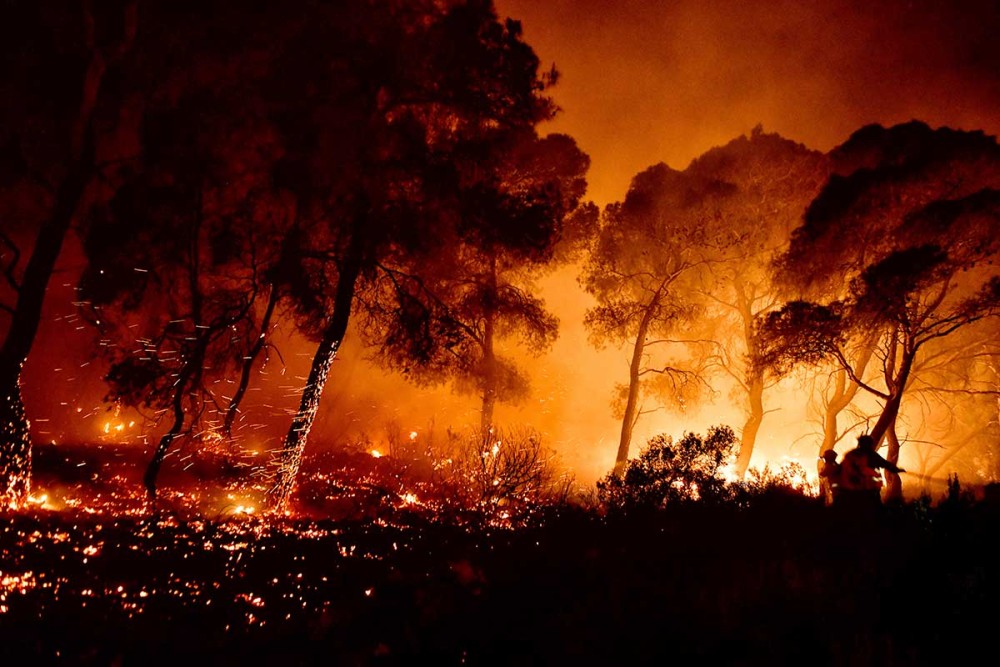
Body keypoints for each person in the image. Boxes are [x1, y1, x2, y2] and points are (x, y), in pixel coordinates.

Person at [838, 434, 904, 507]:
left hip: (852, 489)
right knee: (872, 508)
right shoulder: (871, 455)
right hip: (869, 489)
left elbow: (840, 468)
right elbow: (884, 464)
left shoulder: (851, 454)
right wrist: (895, 469)